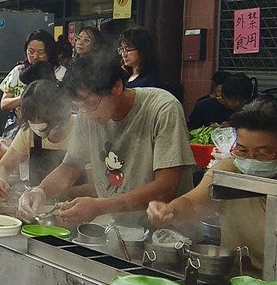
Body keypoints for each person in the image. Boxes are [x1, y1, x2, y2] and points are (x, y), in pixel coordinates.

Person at [19, 52, 195, 228]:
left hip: (168, 236)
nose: (86, 116)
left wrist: (100, 206)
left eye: (89, 104)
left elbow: (166, 187)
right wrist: (40, 191)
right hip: (119, 231)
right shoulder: (85, 116)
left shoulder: (162, 109)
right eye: (79, 108)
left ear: (117, 87)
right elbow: (70, 167)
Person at [147, 100, 277, 272]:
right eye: (242, 150)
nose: (250, 159)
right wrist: (170, 210)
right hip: (239, 277)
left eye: (263, 152)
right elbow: (195, 202)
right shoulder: (230, 169)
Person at [0, 79, 80, 198]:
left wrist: (49, 193)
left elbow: (94, 186)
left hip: (76, 207)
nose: (36, 124)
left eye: (40, 118)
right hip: (35, 206)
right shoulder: (29, 130)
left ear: (57, 113)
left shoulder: (81, 129)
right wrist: (0, 181)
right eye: (31, 119)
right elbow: (3, 166)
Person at [0, 30, 65, 123]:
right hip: (21, 125)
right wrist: (25, 97)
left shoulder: (61, 73)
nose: (35, 56)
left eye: (41, 52)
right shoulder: (19, 71)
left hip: (53, 126)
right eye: (31, 52)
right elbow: (4, 104)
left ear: (50, 52)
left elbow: (66, 105)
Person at [187, 73, 254, 130]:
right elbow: (191, 131)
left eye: (242, 100)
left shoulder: (249, 111)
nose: (237, 103)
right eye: (233, 99)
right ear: (224, 95)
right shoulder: (204, 107)